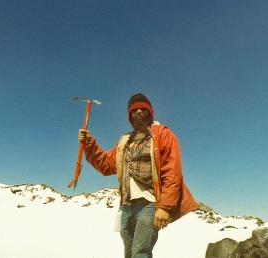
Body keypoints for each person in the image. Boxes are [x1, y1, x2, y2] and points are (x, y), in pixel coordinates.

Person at [78, 93, 198, 258]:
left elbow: (172, 171)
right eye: (135, 110)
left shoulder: (163, 135)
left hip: (150, 204)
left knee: (140, 252)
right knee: (129, 253)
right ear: (130, 116)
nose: (139, 112)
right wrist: (89, 144)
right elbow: (106, 165)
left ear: (150, 113)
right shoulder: (125, 141)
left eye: (144, 109)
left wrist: (165, 207)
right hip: (127, 206)